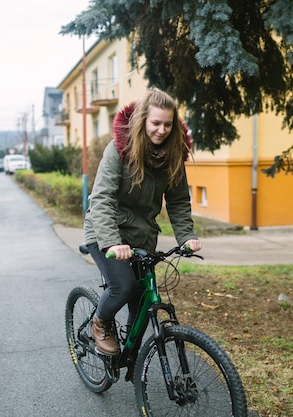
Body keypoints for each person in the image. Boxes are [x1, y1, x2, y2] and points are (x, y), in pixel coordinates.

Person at [84, 88, 202, 361]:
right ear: (142, 121)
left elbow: (178, 201)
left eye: (168, 124)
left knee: (141, 302)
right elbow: (102, 198)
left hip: (142, 236)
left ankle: (131, 361)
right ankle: (99, 323)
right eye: (156, 123)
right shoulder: (119, 148)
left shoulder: (173, 155)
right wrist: (113, 242)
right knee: (123, 286)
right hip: (104, 230)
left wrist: (186, 236)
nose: (161, 130)